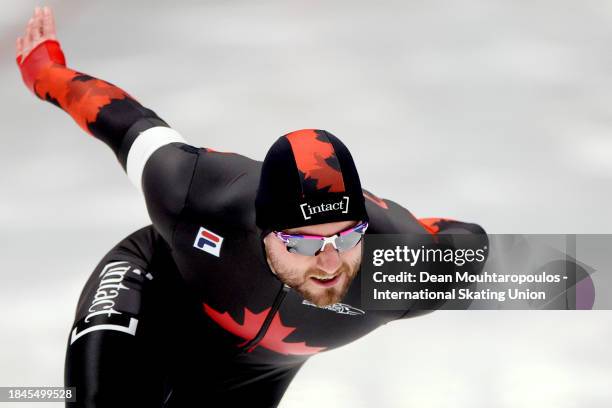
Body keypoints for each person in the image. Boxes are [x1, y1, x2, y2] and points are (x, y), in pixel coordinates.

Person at [16, 7, 488, 408]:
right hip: (155, 295)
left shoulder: (400, 272)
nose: (328, 262)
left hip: (252, 376)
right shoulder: (195, 193)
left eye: (344, 237)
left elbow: (485, 246)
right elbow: (124, 123)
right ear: (261, 228)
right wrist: (45, 71)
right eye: (302, 241)